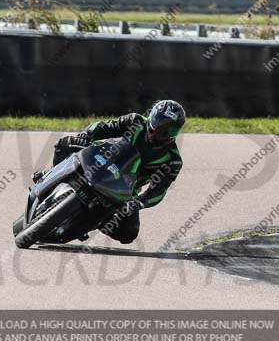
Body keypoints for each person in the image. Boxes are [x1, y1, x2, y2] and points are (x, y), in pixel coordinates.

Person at [34, 100, 185, 244]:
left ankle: (89, 222)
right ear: (151, 118)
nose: (158, 133)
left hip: (123, 188)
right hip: (99, 158)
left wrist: (139, 202)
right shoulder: (135, 121)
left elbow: (159, 191)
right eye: (156, 128)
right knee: (64, 145)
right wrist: (86, 136)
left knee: (129, 233)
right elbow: (103, 127)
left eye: (167, 130)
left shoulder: (173, 160)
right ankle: (49, 174)